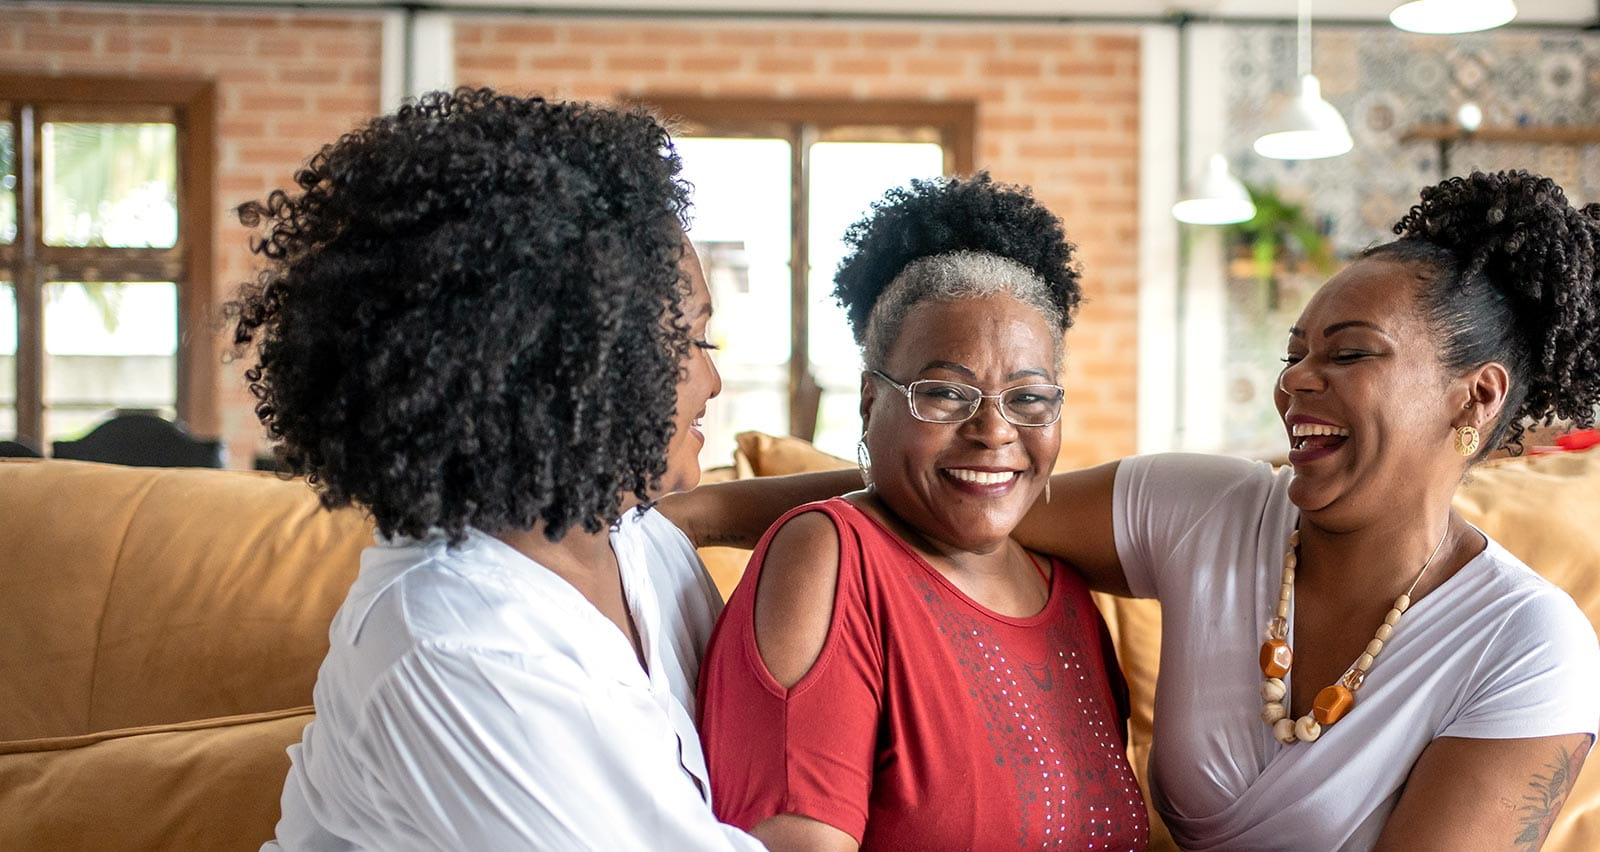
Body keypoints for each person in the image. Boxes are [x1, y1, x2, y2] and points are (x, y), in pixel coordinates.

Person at [232, 87, 838, 851]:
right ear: (574, 366)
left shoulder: (613, 534)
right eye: (694, 343)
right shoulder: (461, 648)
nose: (711, 383)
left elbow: (706, 514)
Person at [1014, 170, 1600, 850]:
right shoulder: (1208, 510)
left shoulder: (1528, 644)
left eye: (1348, 353)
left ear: (1476, 397)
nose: (1292, 380)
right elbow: (954, 495)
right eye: (1293, 355)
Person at [698, 174, 1150, 851]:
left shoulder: (1071, 596)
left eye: (1028, 398)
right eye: (945, 393)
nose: (994, 432)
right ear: (868, 403)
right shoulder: (829, 558)